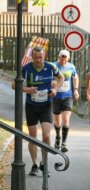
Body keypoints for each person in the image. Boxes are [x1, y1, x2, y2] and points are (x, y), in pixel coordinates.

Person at [12, 46, 64, 176]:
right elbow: (14, 85)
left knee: (46, 136)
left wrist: (56, 89)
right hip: (31, 105)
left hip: (46, 105)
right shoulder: (26, 68)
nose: (38, 60)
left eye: (40, 57)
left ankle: (44, 163)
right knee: (32, 137)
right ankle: (35, 164)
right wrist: (26, 90)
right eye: (35, 58)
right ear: (32, 57)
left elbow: (61, 78)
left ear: (44, 56)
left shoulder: (50, 67)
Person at [52, 49, 79, 153]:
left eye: (65, 57)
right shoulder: (53, 66)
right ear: (58, 57)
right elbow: (48, 78)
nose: (62, 59)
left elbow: (75, 77)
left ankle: (64, 143)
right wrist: (52, 82)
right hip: (56, 97)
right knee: (57, 121)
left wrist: (75, 90)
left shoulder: (71, 66)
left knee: (66, 119)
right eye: (61, 57)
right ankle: (58, 137)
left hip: (68, 96)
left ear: (68, 58)